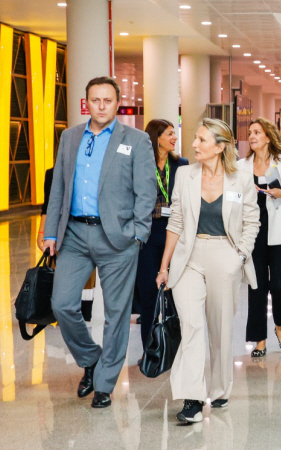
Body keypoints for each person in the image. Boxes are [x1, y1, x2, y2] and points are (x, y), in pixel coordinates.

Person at [42, 76, 156, 408]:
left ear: (117, 103)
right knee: (62, 304)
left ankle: (105, 384)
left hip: (118, 237)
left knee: (117, 313)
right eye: (95, 100)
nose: (101, 106)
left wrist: (138, 233)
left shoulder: (136, 140)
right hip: (75, 235)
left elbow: (146, 191)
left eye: (108, 100)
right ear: (86, 103)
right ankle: (91, 359)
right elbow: (58, 187)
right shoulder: (70, 136)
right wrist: (51, 232)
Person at [155, 118, 259, 423]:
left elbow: (251, 222)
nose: (194, 144)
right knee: (191, 326)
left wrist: (239, 256)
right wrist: (164, 266)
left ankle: (220, 387)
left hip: (225, 254)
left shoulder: (241, 178)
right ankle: (193, 398)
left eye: (202, 140)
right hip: (189, 256)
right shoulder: (185, 174)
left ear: (220, 146)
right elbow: (175, 221)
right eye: (196, 139)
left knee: (220, 328)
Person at [242, 118, 281, 356]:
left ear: (268, 137)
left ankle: (280, 325)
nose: (252, 136)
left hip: (280, 231)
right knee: (256, 286)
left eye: (257, 132)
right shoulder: (241, 166)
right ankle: (259, 339)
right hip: (253, 232)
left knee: (279, 285)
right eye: (250, 133)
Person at [134, 119, 188, 359]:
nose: (174, 138)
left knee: (177, 295)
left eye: (174, 133)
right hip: (148, 234)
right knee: (148, 295)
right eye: (169, 134)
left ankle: (176, 350)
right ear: (156, 138)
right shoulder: (140, 164)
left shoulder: (181, 165)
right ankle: (149, 351)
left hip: (175, 233)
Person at [38, 168, 95, 323]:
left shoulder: (89, 170)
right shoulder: (53, 173)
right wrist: (42, 232)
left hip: (87, 228)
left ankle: (84, 312)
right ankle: (58, 311)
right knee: (59, 269)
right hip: (61, 230)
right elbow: (48, 205)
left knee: (87, 274)